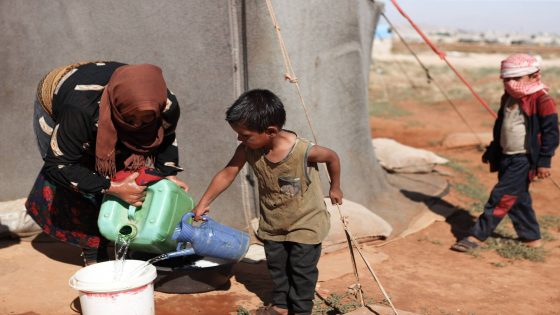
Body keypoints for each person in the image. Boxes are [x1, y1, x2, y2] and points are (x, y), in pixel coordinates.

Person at [192, 89, 342, 315]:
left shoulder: (303, 151)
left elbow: (332, 157)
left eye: (245, 135)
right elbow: (228, 173)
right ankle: (281, 306)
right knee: (277, 266)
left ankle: (301, 311)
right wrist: (203, 202)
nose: (240, 139)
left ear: (270, 131)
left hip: (306, 223)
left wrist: (335, 187)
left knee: (301, 270)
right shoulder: (248, 150)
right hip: (273, 223)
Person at [26, 61, 189, 266]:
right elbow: (60, 165)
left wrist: (168, 174)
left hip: (103, 103)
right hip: (59, 95)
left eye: (146, 119)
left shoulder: (166, 105)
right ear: (118, 107)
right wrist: (113, 187)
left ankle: (124, 233)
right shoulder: (79, 109)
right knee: (81, 180)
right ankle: (92, 248)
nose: (136, 125)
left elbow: (166, 136)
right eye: (129, 117)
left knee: (126, 171)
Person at [451, 54, 559, 252]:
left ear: (534, 76)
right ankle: (531, 237)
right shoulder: (508, 98)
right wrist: (493, 150)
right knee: (518, 198)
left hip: (524, 159)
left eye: (517, 79)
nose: (511, 83)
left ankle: (477, 235)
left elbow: (551, 133)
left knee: (502, 196)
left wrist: (544, 161)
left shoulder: (542, 100)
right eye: (507, 79)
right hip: (506, 156)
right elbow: (501, 127)